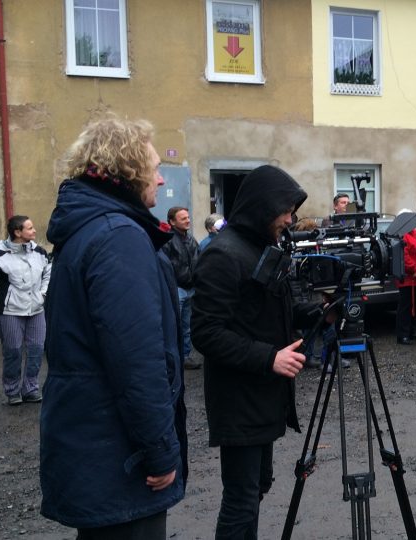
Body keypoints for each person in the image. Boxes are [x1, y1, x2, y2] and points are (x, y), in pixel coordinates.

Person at [41, 117, 186, 537]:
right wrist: (160, 451)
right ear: (127, 170)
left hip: (93, 440)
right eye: (154, 168)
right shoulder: (117, 235)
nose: (160, 180)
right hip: (119, 455)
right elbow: (137, 362)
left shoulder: (89, 227)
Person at [192, 165, 317, 539]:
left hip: (261, 394)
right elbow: (206, 332)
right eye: (286, 210)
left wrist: (319, 313)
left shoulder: (259, 247)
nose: (290, 219)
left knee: (257, 487)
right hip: (239, 397)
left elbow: (265, 313)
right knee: (242, 496)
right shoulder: (223, 254)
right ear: (264, 206)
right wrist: (270, 358)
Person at [0, 216, 50, 405]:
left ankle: (31, 388)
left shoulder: (39, 252)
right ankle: (13, 390)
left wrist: (43, 295)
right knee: (13, 351)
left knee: (37, 350)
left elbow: (48, 273)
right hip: (10, 312)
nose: (34, 231)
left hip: (37, 310)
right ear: (17, 232)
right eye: (29, 228)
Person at [162, 206, 200, 369]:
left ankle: (184, 357)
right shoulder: (167, 239)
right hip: (176, 288)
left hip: (191, 288)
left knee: (187, 326)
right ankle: (171, 358)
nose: (188, 221)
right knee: (173, 325)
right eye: (183, 218)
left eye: (188, 217)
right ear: (172, 221)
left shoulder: (191, 239)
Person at [395, 216, 416, 345]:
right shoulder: (402, 235)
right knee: (405, 307)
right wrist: (413, 268)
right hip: (407, 277)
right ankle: (402, 334)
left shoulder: (415, 233)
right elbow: (403, 255)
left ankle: (411, 331)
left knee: (415, 305)